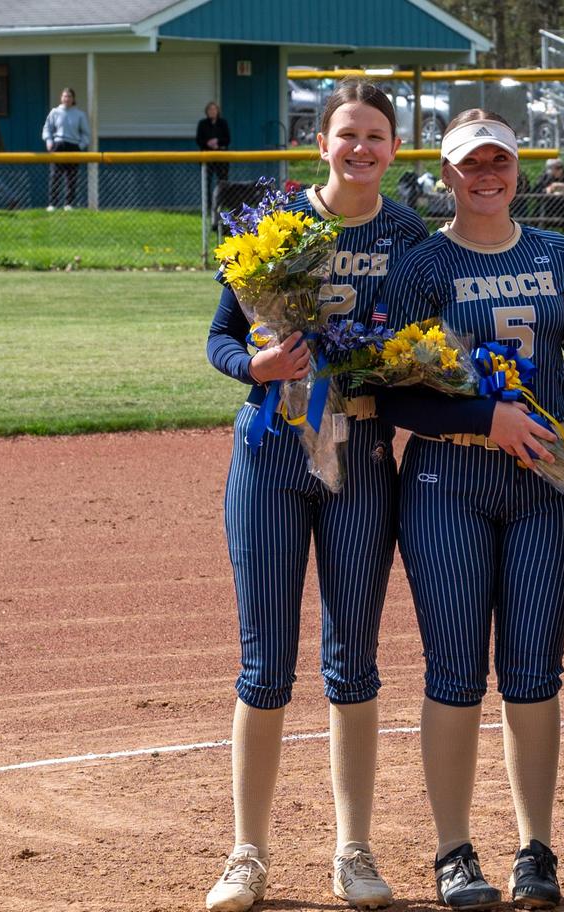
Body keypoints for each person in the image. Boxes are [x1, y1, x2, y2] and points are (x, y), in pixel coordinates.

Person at [203, 81, 430, 912]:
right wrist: (253, 368)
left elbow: (431, 344)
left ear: (394, 149)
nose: (360, 149)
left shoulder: (411, 235)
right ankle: (247, 853)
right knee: (265, 664)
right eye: (347, 135)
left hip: (363, 454)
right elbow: (221, 336)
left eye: (375, 136)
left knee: (353, 661)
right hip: (271, 453)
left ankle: (353, 850)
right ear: (322, 143)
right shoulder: (281, 225)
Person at [374, 109, 564, 911]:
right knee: (454, 670)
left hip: (543, 482)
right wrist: (483, 420)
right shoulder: (422, 264)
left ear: (517, 168)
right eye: (470, 164)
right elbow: (391, 388)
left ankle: (534, 846)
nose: (486, 175)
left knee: (535, 670)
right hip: (448, 481)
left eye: (499, 162)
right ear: (446, 176)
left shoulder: (557, 255)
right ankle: (452, 850)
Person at [42, 87, 90, 211]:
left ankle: (69, 204)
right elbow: (47, 128)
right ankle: (53, 204)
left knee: (71, 176)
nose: (66, 99)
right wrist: (49, 140)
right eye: (64, 96)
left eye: (69, 96)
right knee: (55, 176)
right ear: (61, 98)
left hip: (73, 146)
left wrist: (81, 146)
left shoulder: (80, 115)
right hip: (58, 145)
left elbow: (86, 134)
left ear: (73, 99)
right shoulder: (54, 112)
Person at [532, 158, 564, 238]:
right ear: (550, 168)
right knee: (538, 216)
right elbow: (535, 192)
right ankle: (539, 241)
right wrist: (546, 190)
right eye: (557, 168)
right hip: (547, 208)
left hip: (563, 208)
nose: (560, 170)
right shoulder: (544, 177)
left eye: (561, 168)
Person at [199, 101, 232, 196]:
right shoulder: (202, 124)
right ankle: (207, 205)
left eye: (214, 109)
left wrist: (217, 142)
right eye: (210, 109)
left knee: (223, 181)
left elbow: (228, 139)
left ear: (218, 111)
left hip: (221, 156)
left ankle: (223, 203)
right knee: (206, 182)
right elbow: (199, 140)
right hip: (207, 157)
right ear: (206, 112)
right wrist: (208, 143)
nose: (212, 111)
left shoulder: (223, 123)